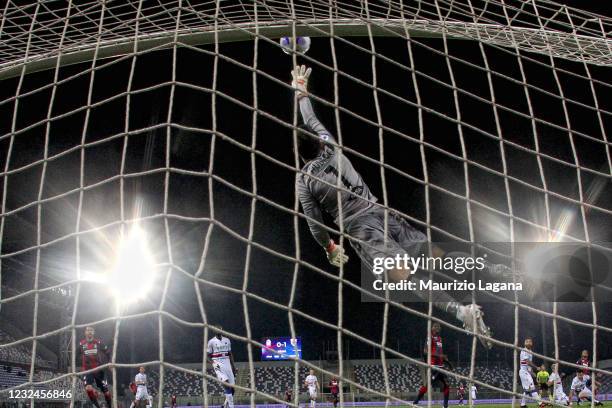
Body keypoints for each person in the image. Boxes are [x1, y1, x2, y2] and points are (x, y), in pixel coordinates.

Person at [291, 64, 498, 348]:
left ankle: (461, 311)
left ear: (297, 152)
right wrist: (301, 89)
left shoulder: (304, 180)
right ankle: (484, 276)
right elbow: (311, 118)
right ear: (318, 141)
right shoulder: (331, 146)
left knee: (404, 277)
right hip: (381, 211)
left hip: (361, 229)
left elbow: (314, 223)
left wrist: (330, 247)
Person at [413, 322, 453, 408]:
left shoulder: (440, 339)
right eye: (435, 326)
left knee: (447, 385)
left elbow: (440, 354)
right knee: (427, 386)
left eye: (439, 326)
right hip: (433, 366)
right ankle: (415, 403)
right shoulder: (430, 337)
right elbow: (425, 351)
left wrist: (447, 363)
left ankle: (445, 406)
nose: (438, 327)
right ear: (432, 328)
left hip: (441, 366)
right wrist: (439, 356)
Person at [78, 326, 112, 408]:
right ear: (85, 332)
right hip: (87, 370)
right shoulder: (81, 344)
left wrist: (110, 362)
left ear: (93, 332)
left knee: (106, 393)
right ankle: (97, 406)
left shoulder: (98, 342)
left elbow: (108, 352)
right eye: (88, 330)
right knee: (88, 388)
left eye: (91, 330)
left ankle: (109, 406)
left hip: (98, 370)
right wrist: (76, 367)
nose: (89, 332)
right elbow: (75, 355)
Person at [207, 327, 237, 408]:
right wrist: (213, 363)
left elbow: (230, 354)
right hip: (218, 365)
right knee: (226, 384)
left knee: (232, 389)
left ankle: (224, 405)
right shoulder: (211, 342)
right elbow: (207, 356)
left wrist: (233, 366)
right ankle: (231, 406)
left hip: (228, 365)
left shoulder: (227, 340)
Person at [519, 337, 544, 408]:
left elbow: (529, 365)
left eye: (529, 341)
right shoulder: (524, 350)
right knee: (532, 387)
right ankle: (540, 404)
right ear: (524, 343)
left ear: (532, 343)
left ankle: (523, 405)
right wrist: (536, 367)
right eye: (526, 341)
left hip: (527, 372)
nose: (528, 342)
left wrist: (533, 374)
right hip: (524, 372)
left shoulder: (531, 352)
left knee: (527, 390)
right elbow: (527, 362)